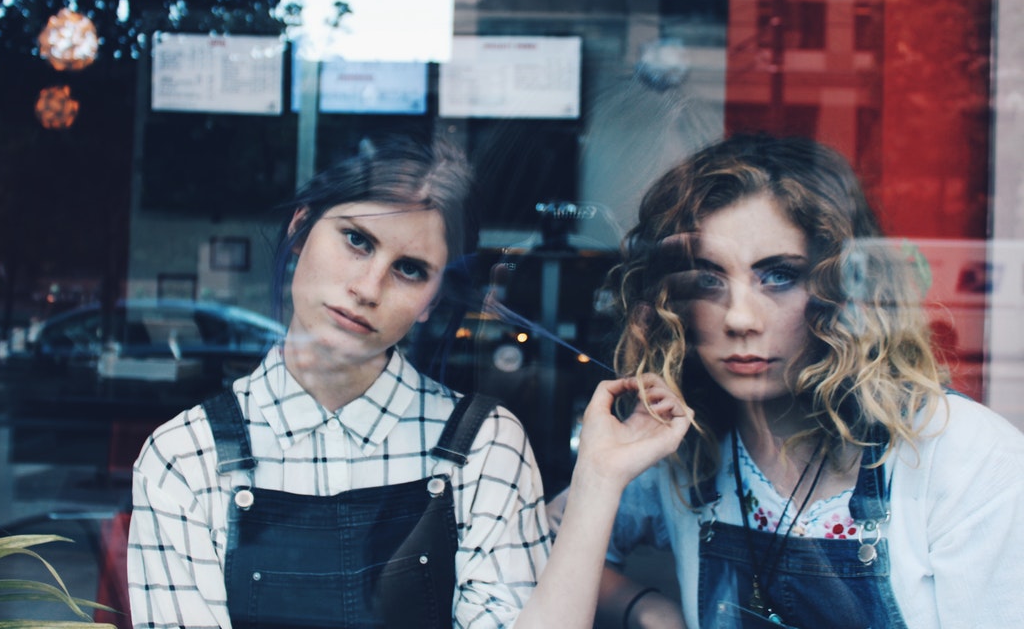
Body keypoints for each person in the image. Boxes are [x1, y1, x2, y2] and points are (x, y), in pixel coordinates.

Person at [126, 133, 694, 629]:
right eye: (356, 240)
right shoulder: (185, 458)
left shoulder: (482, 446)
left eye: (410, 269)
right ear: (300, 232)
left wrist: (597, 477)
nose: (369, 287)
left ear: (430, 301)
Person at [588, 133, 1024, 629]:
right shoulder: (686, 448)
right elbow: (539, 545)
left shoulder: (967, 460)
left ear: (841, 290)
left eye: (777, 276)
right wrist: (645, 607)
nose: (739, 318)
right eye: (708, 279)